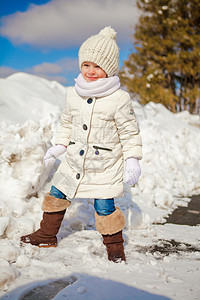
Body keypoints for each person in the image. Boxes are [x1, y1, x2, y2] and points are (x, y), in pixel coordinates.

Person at [21, 26, 142, 263]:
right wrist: (59, 146)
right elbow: (67, 122)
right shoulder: (72, 94)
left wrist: (132, 159)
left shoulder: (119, 98)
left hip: (104, 165)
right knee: (56, 194)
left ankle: (115, 247)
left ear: (109, 69)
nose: (91, 71)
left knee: (105, 206)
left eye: (98, 66)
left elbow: (129, 131)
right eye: (86, 65)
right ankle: (47, 234)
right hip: (75, 162)